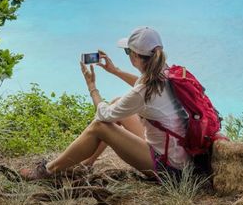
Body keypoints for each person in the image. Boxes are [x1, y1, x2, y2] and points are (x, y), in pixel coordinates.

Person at [19, 26, 188, 181]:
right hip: (179, 157)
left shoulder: (144, 90)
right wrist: (115, 71)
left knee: (100, 126)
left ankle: (47, 171)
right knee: (116, 102)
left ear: (135, 56)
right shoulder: (167, 72)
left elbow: (105, 114)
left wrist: (92, 86)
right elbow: (143, 86)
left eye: (127, 51)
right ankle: (85, 164)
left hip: (169, 169)